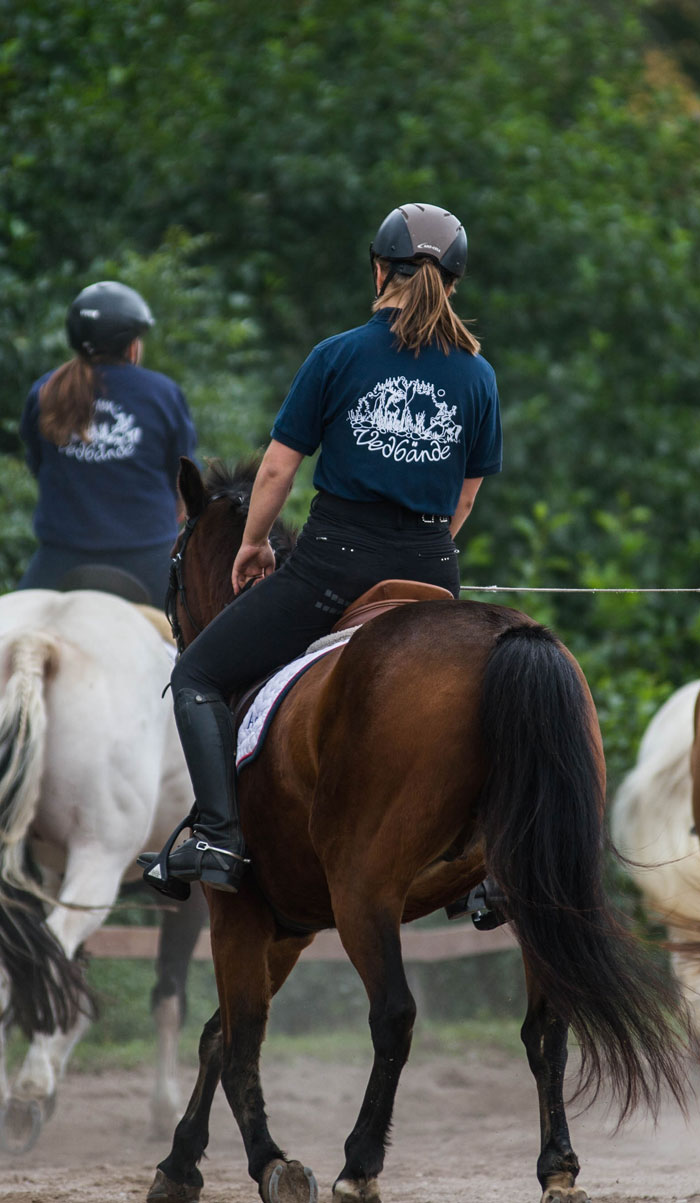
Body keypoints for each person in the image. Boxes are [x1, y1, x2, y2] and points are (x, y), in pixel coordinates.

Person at [140, 204, 502, 893]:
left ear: (377, 267)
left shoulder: (337, 354)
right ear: (453, 282)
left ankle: (219, 838)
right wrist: (423, 553)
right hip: (432, 567)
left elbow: (277, 469)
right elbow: (465, 496)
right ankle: (489, 865)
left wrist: (252, 545)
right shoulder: (478, 377)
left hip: (336, 565)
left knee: (198, 677)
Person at [19, 281, 195, 604]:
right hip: (147, 557)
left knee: (10, 628)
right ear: (131, 345)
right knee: (190, 647)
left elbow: (37, 465)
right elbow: (182, 474)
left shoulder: (44, 391)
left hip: (61, 557)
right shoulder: (163, 393)